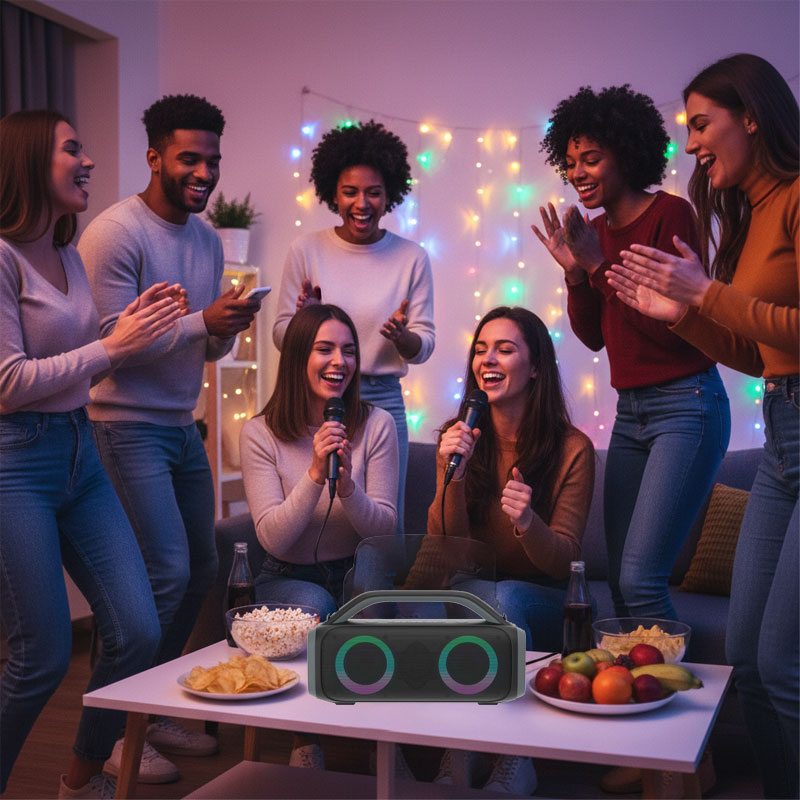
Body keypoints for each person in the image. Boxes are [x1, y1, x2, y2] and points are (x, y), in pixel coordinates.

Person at [608, 54, 798, 800]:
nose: (689, 144)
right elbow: (759, 351)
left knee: (781, 661)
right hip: (782, 429)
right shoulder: (751, 217)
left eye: (700, 123)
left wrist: (708, 293)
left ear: (750, 115)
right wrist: (686, 316)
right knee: (747, 661)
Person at [77, 94, 261, 783]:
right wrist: (198, 323)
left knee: (203, 573)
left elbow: (198, 354)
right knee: (163, 578)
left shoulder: (208, 240)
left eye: (212, 159)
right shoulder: (114, 234)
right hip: (124, 429)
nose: (205, 172)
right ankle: (119, 734)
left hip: (182, 427)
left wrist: (223, 331)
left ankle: (149, 711)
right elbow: (107, 346)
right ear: (154, 156)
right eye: (190, 158)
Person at [0, 110, 183, 798]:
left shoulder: (69, 253)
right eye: (72, 149)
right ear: (28, 163)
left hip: (79, 451)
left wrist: (139, 324)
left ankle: (80, 778)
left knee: (137, 631)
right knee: (41, 657)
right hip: (15, 464)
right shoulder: (3, 257)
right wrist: (113, 347)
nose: (88, 162)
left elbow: (87, 360)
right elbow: (9, 383)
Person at [533, 85, 731, 626]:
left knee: (641, 581)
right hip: (631, 415)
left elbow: (676, 334)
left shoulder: (671, 215)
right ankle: (631, 701)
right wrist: (576, 274)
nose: (578, 173)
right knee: (621, 585)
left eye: (591, 159)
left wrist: (596, 266)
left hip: (686, 406)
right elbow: (597, 337)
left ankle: (681, 699)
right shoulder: (592, 232)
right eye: (571, 163)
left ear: (627, 152)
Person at [426, 306, 595, 795]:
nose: (487, 360)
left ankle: (514, 756)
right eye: (480, 349)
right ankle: (461, 749)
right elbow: (448, 552)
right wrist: (451, 480)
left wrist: (527, 522)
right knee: (470, 600)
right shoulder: (456, 440)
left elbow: (566, 562)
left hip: (545, 603)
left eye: (504, 348)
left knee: (503, 601)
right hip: (479, 594)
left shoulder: (572, 450)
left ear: (536, 366)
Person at [241, 303, 398, 768]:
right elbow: (272, 538)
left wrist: (347, 487)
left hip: (359, 572)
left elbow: (385, 530)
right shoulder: (260, 433)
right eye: (324, 349)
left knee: (369, 581)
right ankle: (305, 740)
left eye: (349, 351)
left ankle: (385, 742)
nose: (339, 362)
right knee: (318, 610)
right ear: (296, 359)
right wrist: (313, 474)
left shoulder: (377, 425)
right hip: (286, 574)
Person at [272, 120, 435, 534]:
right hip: (314, 396)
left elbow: (424, 345)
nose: (362, 203)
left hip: (382, 401)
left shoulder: (411, 257)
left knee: (383, 521)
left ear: (389, 195)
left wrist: (403, 338)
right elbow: (280, 334)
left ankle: (380, 600)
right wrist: (304, 324)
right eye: (350, 191)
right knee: (316, 509)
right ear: (333, 193)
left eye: (373, 192)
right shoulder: (305, 249)